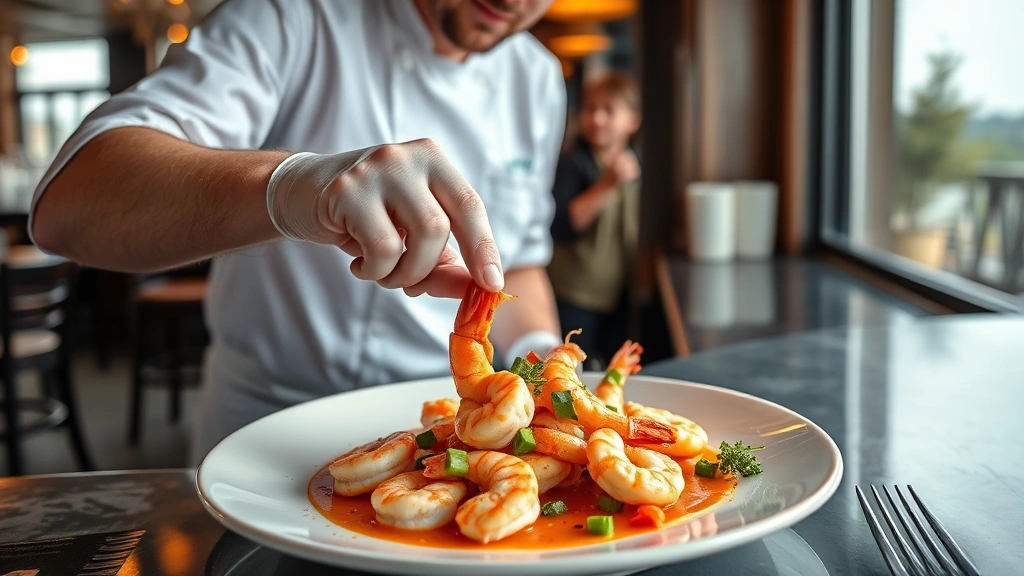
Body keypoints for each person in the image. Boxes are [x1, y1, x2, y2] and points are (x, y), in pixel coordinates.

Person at [29, 0, 566, 463]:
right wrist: (293, 189)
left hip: (439, 426)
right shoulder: (294, 14)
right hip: (266, 421)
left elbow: (516, 264)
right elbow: (68, 205)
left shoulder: (537, 79)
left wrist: (547, 361)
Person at [547, 71, 641, 368]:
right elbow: (563, 225)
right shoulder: (572, 161)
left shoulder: (635, 163)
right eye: (590, 109)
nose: (597, 119)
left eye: (608, 110)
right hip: (574, 293)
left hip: (618, 292)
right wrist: (607, 184)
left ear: (632, 121)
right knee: (572, 369)